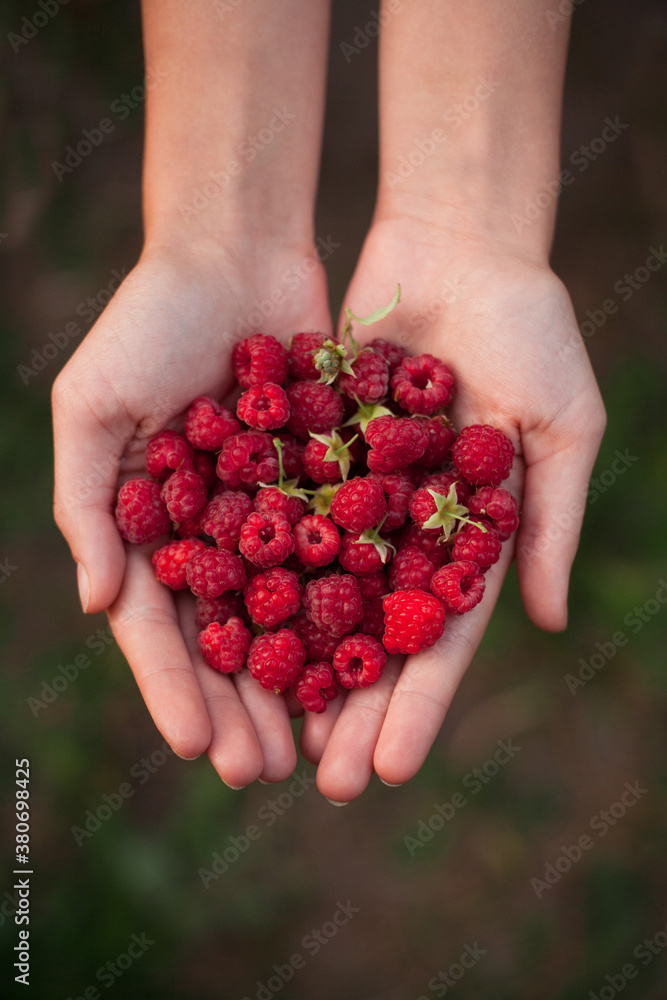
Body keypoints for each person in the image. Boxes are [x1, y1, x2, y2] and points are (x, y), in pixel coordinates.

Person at [52, 0, 606, 804]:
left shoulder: (378, 493)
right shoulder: (283, 498)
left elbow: (370, 523)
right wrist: (209, 235)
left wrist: (484, 234)